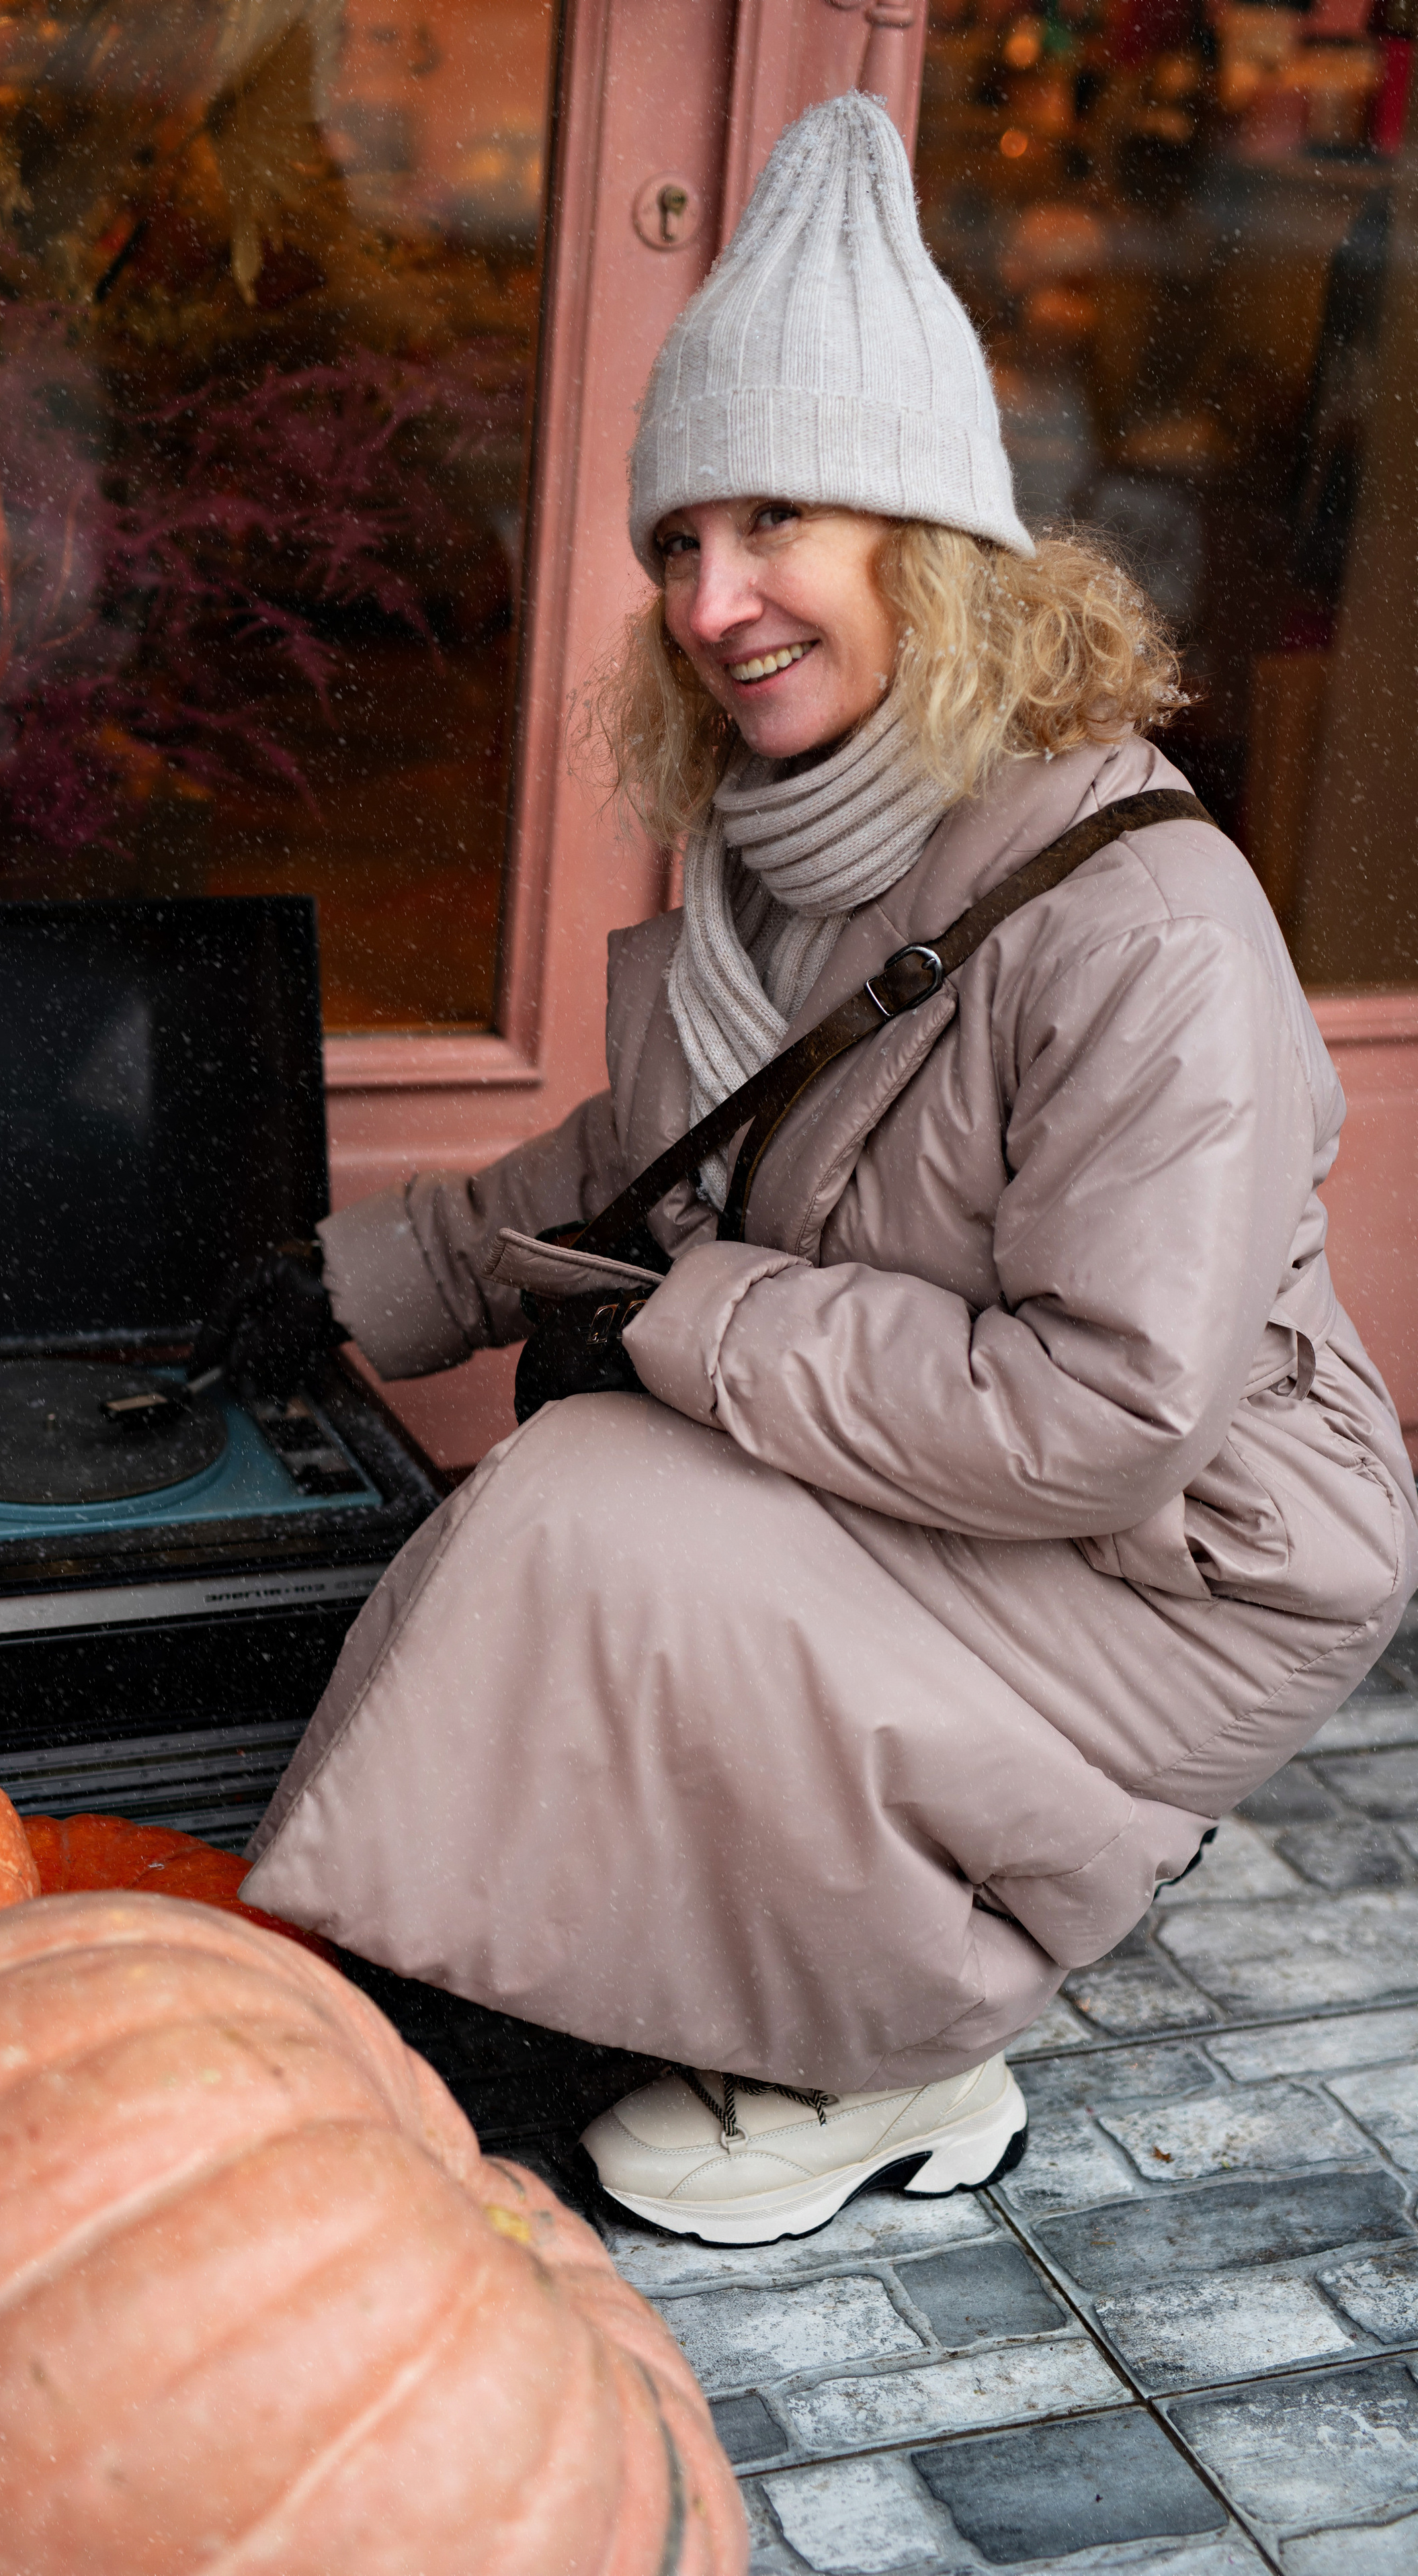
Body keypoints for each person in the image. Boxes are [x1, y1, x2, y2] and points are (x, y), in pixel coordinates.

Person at [226, 94, 1418, 2247]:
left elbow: (1106, 1417)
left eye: (777, 517)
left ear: (931, 542)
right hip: (989, 1474)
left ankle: (899, 2029)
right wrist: (373, 1277)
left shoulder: (1145, 924)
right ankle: (447, 1982)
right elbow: (670, 1153)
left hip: (1180, 1562)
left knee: (606, 1518)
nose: (711, 595)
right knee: (574, 1506)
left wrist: (693, 1323)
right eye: (676, 541)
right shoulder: (810, 854)